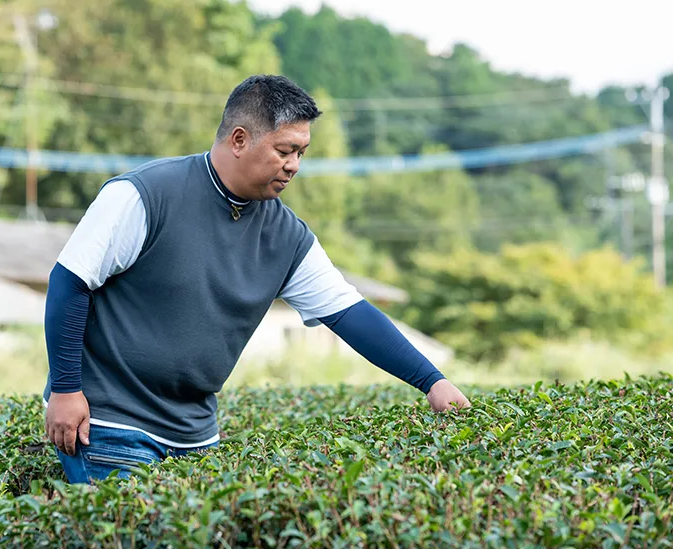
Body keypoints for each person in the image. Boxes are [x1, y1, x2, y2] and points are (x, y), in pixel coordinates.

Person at [43, 74, 470, 485]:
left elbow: (349, 312)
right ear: (240, 140)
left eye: (302, 153)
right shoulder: (144, 194)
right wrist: (64, 390)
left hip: (193, 433)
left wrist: (431, 381)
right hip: (109, 420)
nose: (294, 166)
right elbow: (70, 282)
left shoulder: (286, 235)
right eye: (285, 150)